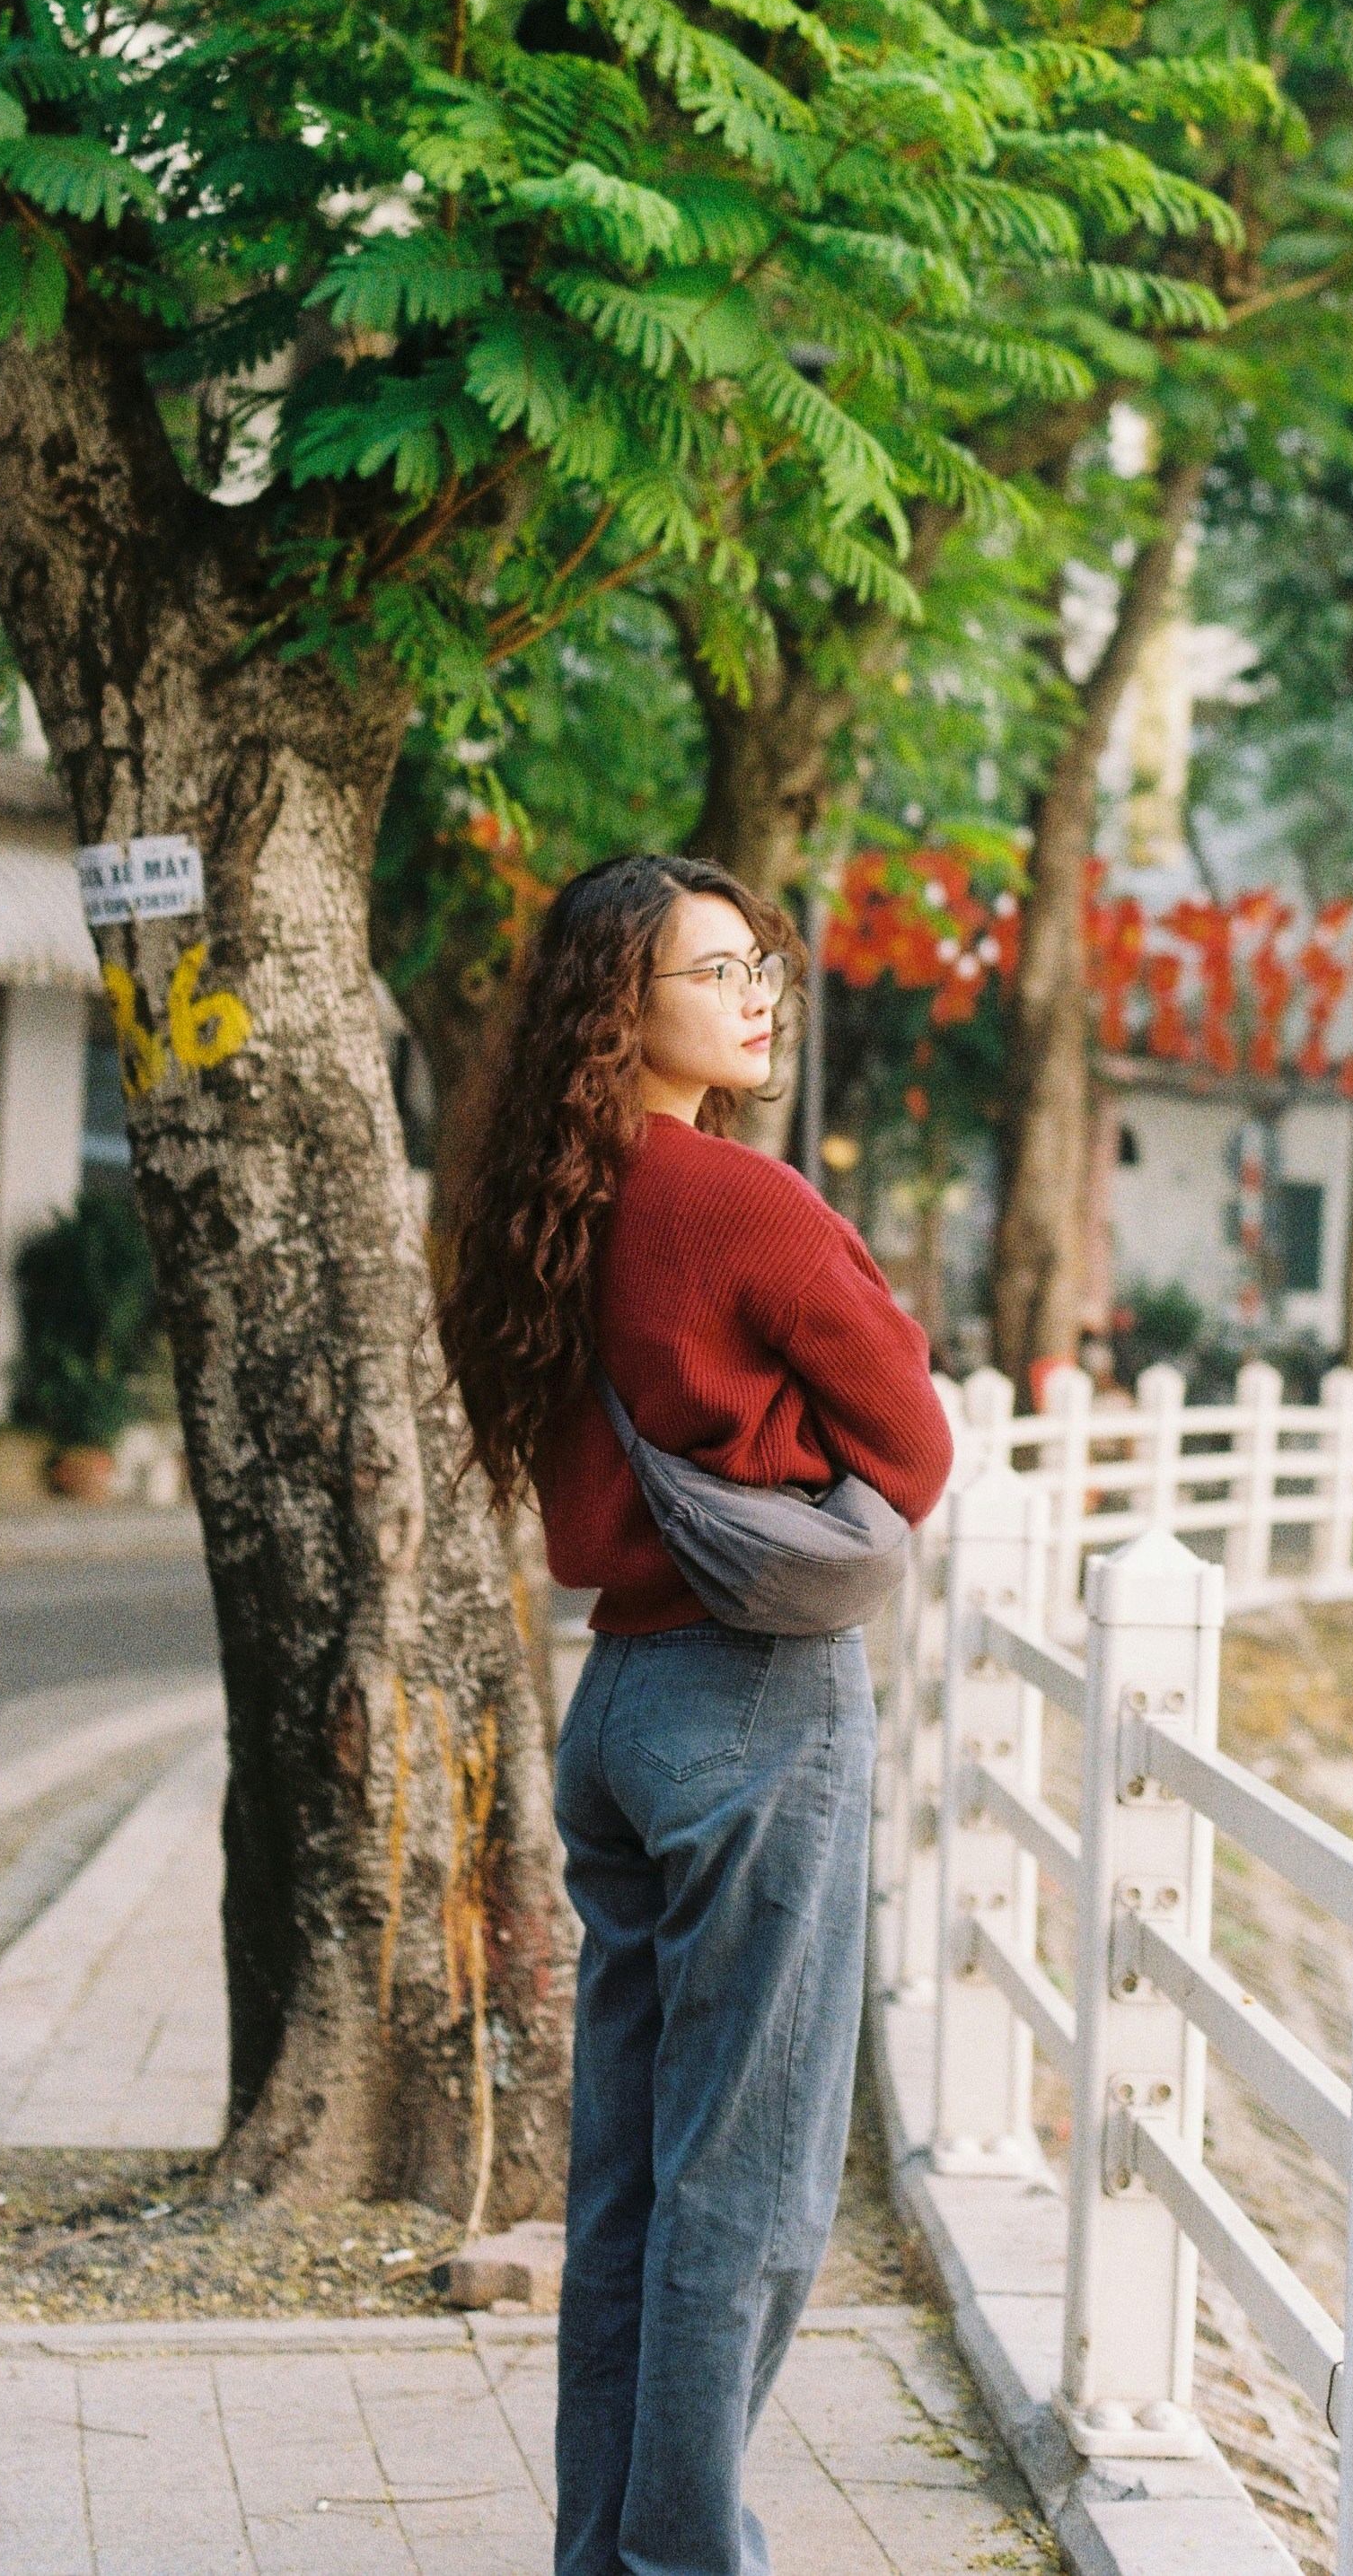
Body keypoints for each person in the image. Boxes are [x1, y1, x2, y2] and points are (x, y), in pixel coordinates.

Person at [438, 852, 953, 2576]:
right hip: (757, 1706)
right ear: (622, 1012)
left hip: (624, 1708)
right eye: (716, 969)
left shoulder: (546, 1198)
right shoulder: (737, 1200)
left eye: (765, 964)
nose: (758, 996)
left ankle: (614, 2556)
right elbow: (916, 1439)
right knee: (753, 2194)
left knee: (636, 2194)